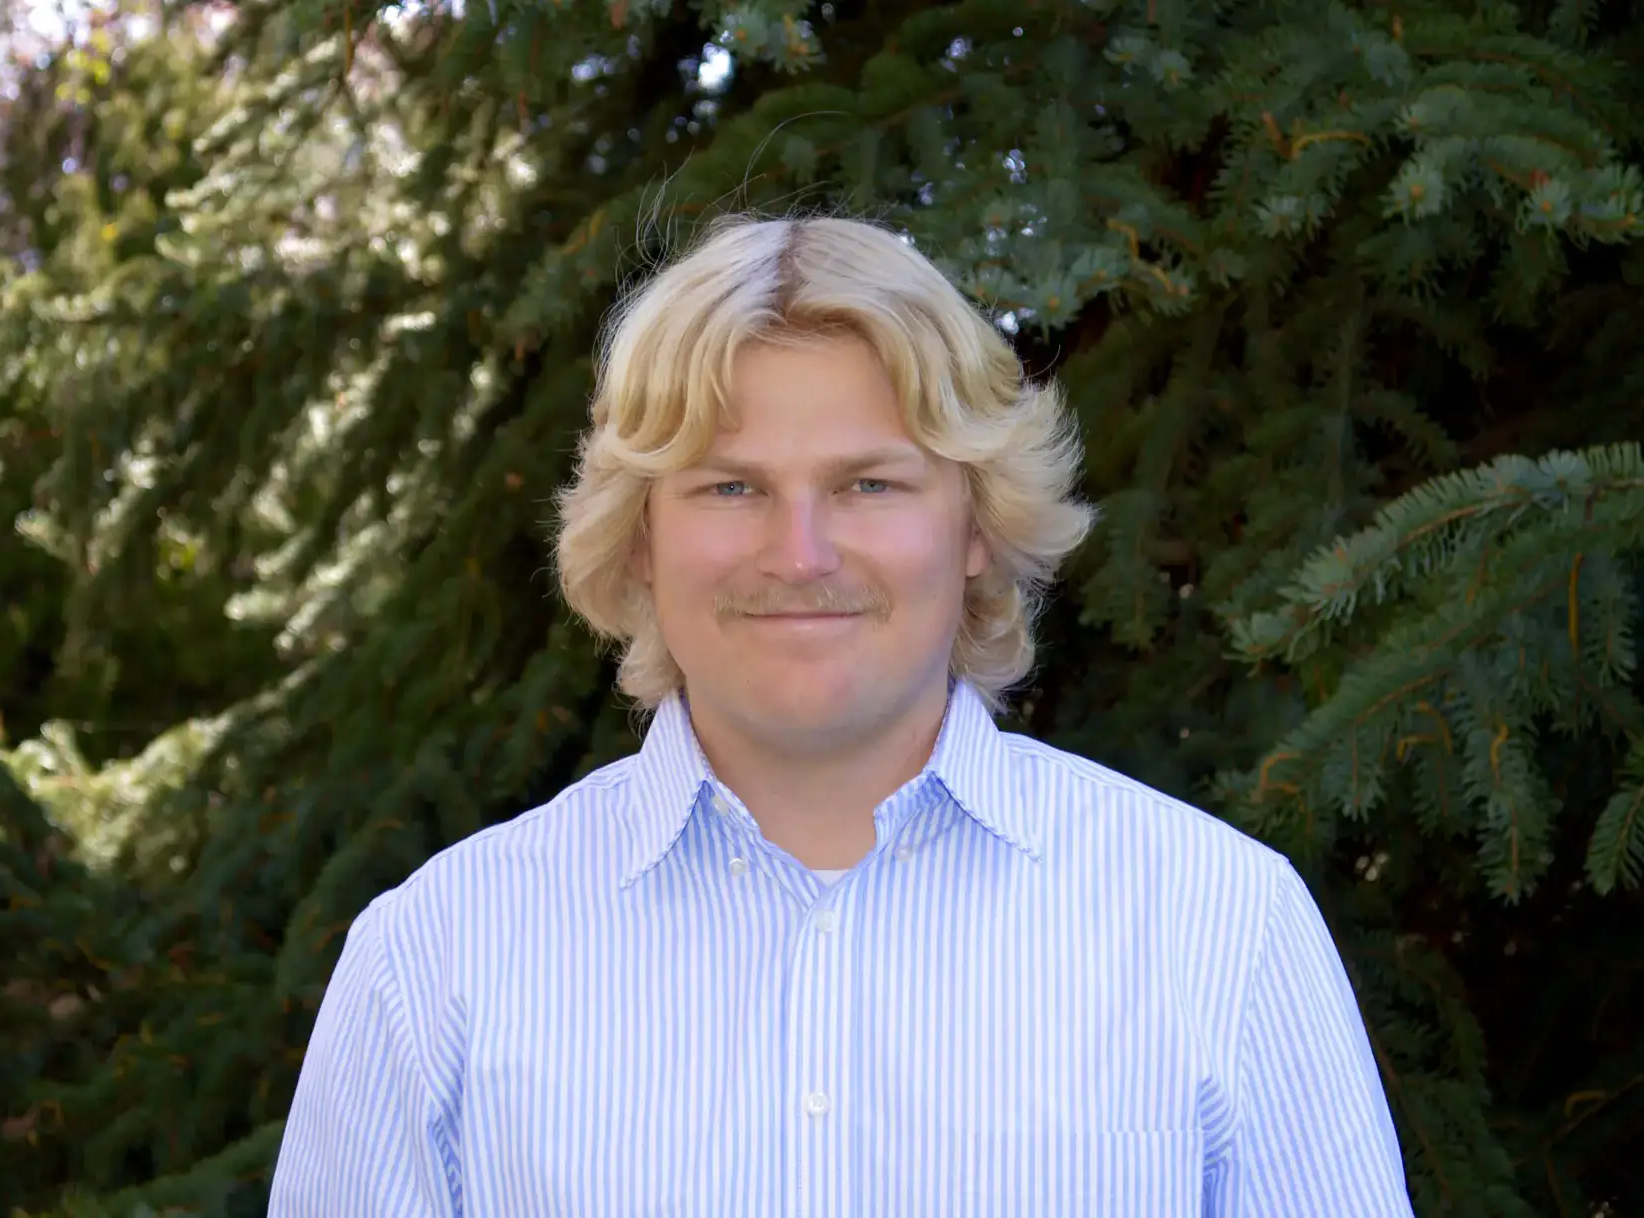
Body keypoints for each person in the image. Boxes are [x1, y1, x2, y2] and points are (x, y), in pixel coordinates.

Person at [268, 214, 1414, 1216]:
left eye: (869, 484)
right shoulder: (435, 965)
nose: (799, 554)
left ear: (973, 526)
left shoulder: (1220, 932)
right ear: (643, 534)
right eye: (730, 487)